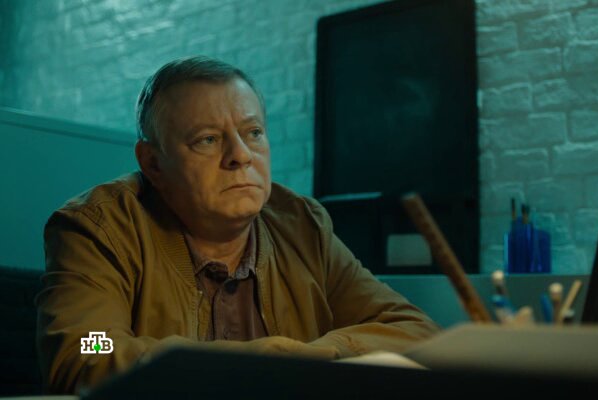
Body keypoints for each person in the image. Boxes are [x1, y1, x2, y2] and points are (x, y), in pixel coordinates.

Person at [35, 56, 440, 394]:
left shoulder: (303, 225)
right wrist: (260, 360)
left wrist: (312, 355)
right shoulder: (101, 228)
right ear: (153, 164)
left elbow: (414, 329)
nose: (241, 155)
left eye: (254, 133)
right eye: (208, 139)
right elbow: (87, 348)